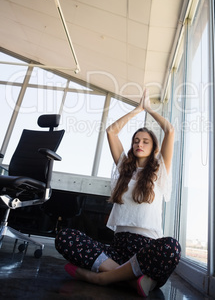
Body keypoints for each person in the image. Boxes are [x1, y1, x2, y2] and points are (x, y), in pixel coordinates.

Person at [55, 89, 181, 297]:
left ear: (153, 148)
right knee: (65, 237)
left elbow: (169, 131)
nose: (139, 144)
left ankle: (101, 277)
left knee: (171, 248)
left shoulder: (160, 171)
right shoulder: (124, 168)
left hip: (146, 250)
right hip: (117, 249)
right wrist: (137, 110)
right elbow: (111, 131)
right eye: (136, 141)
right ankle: (132, 280)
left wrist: (148, 109)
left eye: (145, 141)